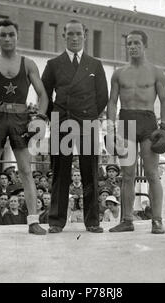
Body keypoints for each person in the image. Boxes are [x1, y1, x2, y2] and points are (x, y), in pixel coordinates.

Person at [0, 19, 49, 235]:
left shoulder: (28, 64)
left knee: (25, 170)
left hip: (20, 117)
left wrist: (40, 118)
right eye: (3, 35)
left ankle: (33, 221)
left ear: (17, 36)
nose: (7, 38)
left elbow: (43, 95)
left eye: (11, 34)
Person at [41, 19, 108, 234]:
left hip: (87, 121)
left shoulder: (95, 64)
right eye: (70, 34)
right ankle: (56, 221)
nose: (75, 38)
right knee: (61, 172)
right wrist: (57, 113)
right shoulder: (54, 64)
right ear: (64, 36)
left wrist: (88, 113)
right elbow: (44, 94)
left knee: (90, 172)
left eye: (78, 34)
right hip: (62, 121)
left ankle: (93, 221)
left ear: (85, 36)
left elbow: (103, 96)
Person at [107, 30, 165, 234]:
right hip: (126, 121)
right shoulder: (119, 73)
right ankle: (127, 220)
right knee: (127, 175)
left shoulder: (155, 72)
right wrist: (110, 127)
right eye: (129, 43)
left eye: (136, 43)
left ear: (145, 45)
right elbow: (112, 101)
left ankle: (157, 220)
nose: (132, 46)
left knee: (152, 174)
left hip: (148, 121)